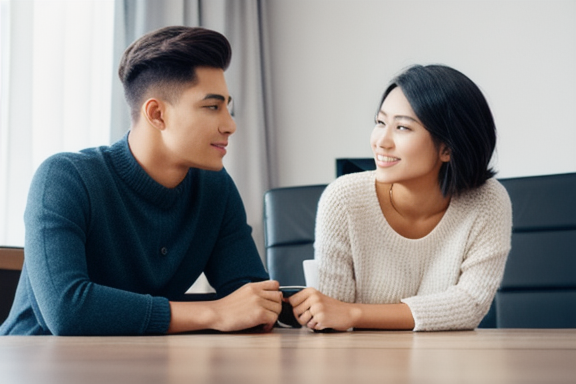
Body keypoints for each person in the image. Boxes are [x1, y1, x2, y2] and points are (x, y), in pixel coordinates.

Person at [0, 26, 282, 336]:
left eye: (227, 107)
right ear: (157, 114)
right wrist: (214, 312)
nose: (230, 125)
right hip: (34, 366)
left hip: (141, 364)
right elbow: (68, 311)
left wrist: (317, 305)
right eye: (212, 107)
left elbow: (251, 299)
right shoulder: (65, 178)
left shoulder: (215, 187)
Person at [288, 64, 512, 332]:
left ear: (448, 149)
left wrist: (355, 313)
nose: (381, 141)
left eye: (402, 127)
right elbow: (331, 315)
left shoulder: (488, 201)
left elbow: (469, 305)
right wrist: (342, 313)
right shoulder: (343, 199)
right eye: (380, 122)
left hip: (445, 365)